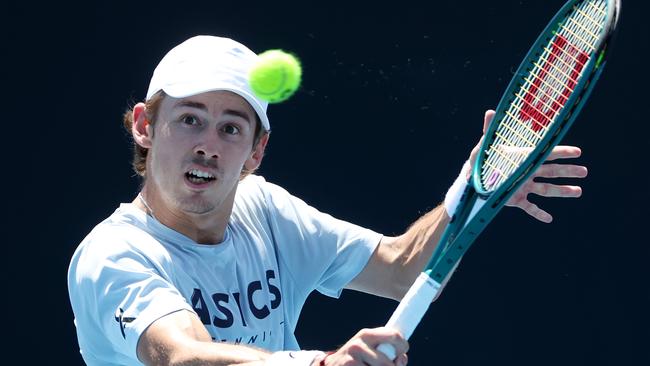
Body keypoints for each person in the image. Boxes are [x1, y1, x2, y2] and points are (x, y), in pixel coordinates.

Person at [67, 35, 587, 366]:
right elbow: (182, 357)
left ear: (255, 152)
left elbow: (400, 269)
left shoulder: (265, 211)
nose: (208, 142)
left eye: (231, 127)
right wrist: (318, 364)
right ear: (144, 126)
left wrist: (471, 190)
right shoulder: (113, 255)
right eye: (189, 119)